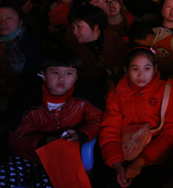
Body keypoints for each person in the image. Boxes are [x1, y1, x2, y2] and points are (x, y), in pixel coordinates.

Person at [2, 48, 102, 188]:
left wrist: (81, 135)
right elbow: (15, 138)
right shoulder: (27, 102)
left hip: (61, 159)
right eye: (55, 72)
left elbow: (95, 121)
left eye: (68, 73)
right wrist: (44, 141)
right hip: (28, 157)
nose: (61, 78)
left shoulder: (84, 99)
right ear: (43, 74)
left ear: (76, 77)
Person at [99, 47, 173, 188]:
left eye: (147, 68)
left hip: (157, 156)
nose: (141, 75)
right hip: (123, 154)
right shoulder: (117, 92)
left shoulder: (167, 90)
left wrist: (140, 162)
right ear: (125, 70)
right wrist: (117, 164)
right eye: (135, 69)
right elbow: (109, 131)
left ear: (155, 69)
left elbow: (170, 132)